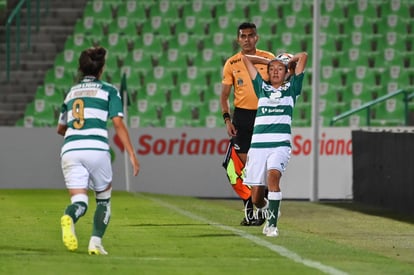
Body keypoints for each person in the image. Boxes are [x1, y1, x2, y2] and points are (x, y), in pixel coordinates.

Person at [57, 46, 140, 255]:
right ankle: (95, 243)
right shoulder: (109, 90)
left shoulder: (71, 93)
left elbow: (60, 128)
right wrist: (131, 153)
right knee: (103, 200)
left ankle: (70, 216)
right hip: (96, 148)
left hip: (71, 148)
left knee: (80, 201)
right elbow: (118, 124)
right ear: (101, 69)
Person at [241, 51, 308, 237]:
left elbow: (303, 56)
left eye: (280, 69)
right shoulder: (261, 87)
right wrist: (271, 60)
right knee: (256, 198)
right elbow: (246, 58)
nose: (275, 71)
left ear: (287, 72)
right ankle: (271, 206)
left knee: (273, 178)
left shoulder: (292, 88)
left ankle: (271, 225)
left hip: (279, 145)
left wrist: (288, 62)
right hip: (257, 149)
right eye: (272, 69)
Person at [220, 22, 275, 226]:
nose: (247, 39)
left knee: (261, 166)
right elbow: (224, 97)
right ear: (238, 39)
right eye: (243, 36)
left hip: (264, 116)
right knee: (242, 168)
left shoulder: (268, 59)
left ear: (256, 38)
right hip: (241, 119)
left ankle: (259, 209)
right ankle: (252, 204)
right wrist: (227, 119)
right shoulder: (231, 63)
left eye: (250, 36)